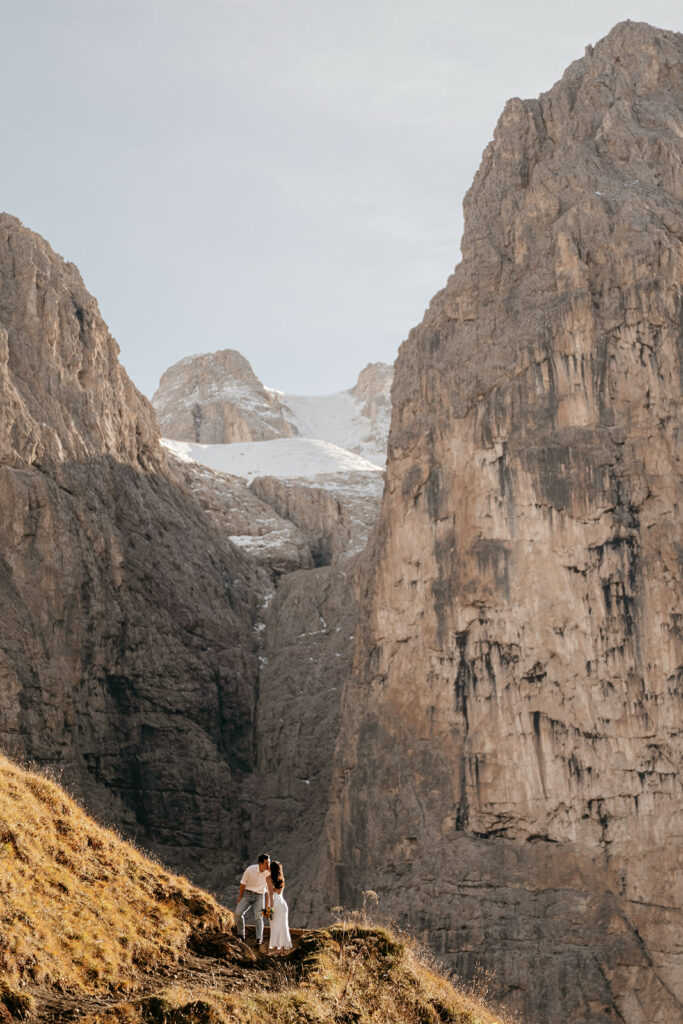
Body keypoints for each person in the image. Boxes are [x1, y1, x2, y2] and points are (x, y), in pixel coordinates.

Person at [236, 853, 272, 946]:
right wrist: (240, 897)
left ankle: (259, 939)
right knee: (238, 913)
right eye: (266, 863)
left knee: (259, 918)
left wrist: (267, 907)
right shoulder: (250, 869)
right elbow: (243, 884)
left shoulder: (269, 873)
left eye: (269, 863)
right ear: (260, 863)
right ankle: (240, 935)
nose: (268, 865)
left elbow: (268, 892)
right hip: (247, 894)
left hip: (260, 896)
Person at [267, 860, 292, 955]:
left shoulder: (268, 879)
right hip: (282, 904)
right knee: (283, 926)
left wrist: (270, 908)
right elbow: (279, 893)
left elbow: (270, 894)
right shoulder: (281, 878)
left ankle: (277, 949)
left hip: (274, 902)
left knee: (274, 926)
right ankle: (281, 949)